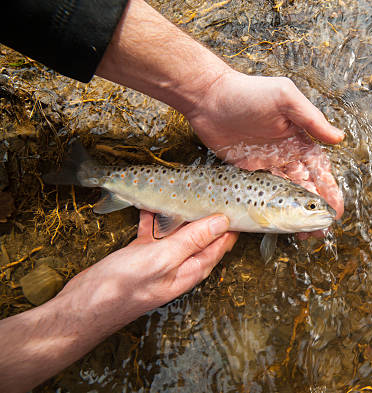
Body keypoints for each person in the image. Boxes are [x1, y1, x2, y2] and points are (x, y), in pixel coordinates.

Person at [0, 1, 344, 391]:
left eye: (313, 206)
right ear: (276, 208)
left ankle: (95, 176)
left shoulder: (274, 209)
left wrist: (210, 91)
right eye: (311, 206)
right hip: (150, 189)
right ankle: (91, 175)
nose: (319, 211)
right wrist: (84, 314)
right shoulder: (269, 217)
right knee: (117, 183)